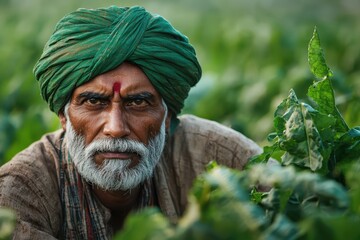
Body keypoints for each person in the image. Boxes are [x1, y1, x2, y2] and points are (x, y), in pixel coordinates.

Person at [0, 5, 262, 239]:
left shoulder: (219, 157)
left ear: (168, 116)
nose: (116, 128)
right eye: (94, 102)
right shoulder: (18, 193)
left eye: (137, 103)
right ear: (64, 116)